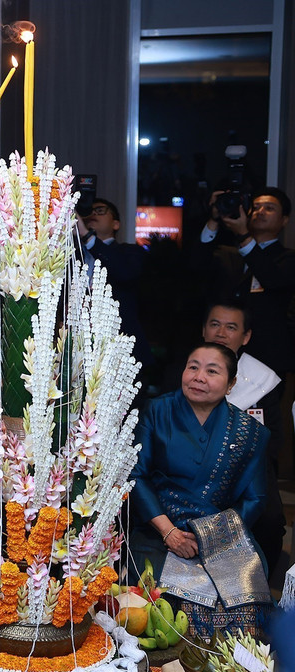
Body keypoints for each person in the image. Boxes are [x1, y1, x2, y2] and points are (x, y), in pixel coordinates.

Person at [129, 343, 272, 637]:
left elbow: (255, 498)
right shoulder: (157, 411)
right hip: (158, 531)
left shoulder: (249, 432)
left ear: (231, 384)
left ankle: (232, 659)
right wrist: (169, 532)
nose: (198, 377)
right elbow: (136, 476)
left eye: (212, 371)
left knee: (246, 593)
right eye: (192, 367)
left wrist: (209, 536)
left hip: (222, 536)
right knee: (167, 598)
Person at [200, 301, 286, 578]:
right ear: (204, 330)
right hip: (192, 466)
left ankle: (258, 587)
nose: (221, 333)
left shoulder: (262, 380)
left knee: (271, 520)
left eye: (231, 327)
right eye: (215, 324)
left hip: (249, 470)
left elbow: (274, 438)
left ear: (245, 336)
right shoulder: (186, 372)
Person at [195, 187, 294, 378]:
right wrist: (214, 220)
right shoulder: (229, 254)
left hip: (267, 357)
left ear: (284, 220)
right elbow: (195, 266)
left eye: (269, 208)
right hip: (219, 354)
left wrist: (244, 235)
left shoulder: (287, 259)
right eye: (255, 207)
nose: (260, 212)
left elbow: (272, 280)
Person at [77, 197, 151, 368]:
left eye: (100, 211)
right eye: (88, 212)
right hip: (79, 346)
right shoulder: (73, 253)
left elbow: (125, 272)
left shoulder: (130, 252)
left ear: (116, 224)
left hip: (120, 352)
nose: (93, 214)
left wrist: (87, 236)